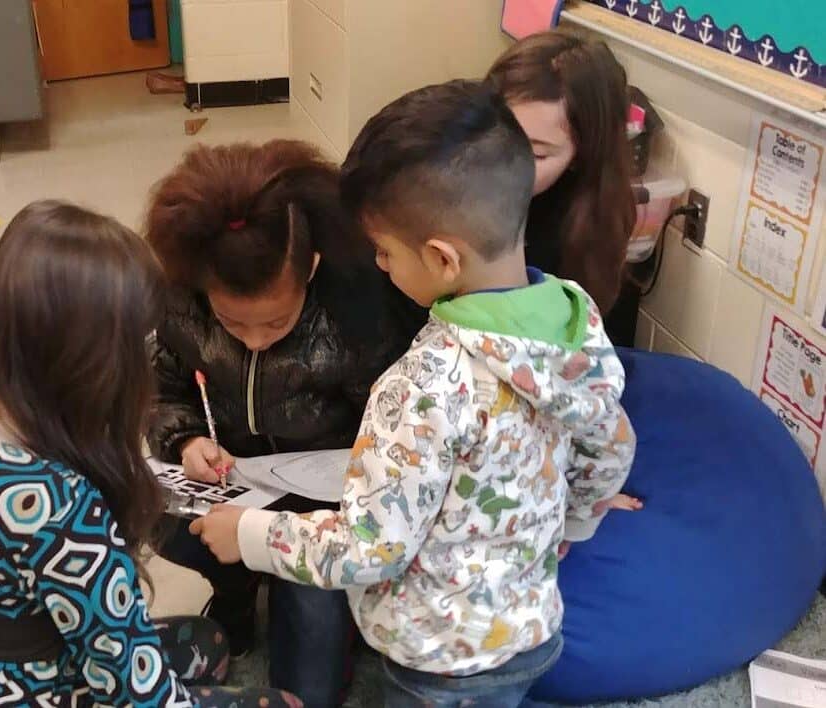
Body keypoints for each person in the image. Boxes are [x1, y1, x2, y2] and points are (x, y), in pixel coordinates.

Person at [191, 81, 637, 707]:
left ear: (441, 258)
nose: (377, 266)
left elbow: (372, 548)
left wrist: (250, 534)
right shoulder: (573, 323)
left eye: (384, 251)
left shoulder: (422, 387)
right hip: (530, 631)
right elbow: (613, 441)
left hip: (439, 662)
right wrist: (578, 520)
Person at [0, 200, 299, 707]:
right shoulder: (55, 502)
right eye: (137, 341)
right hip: (30, 690)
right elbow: (137, 692)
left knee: (205, 642)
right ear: (95, 356)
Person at [143, 139, 423, 705]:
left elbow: (392, 441)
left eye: (274, 322)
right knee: (155, 515)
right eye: (231, 322)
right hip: (230, 480)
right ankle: (237, 584)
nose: (252, 339)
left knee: (308, 691)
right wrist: (186, 439)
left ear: (311, 268)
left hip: (323, 507)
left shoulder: (357, 316)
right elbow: (162, 390)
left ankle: (317, 598)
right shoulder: (179, 302)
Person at [487, 31, 640, 347]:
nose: (506, 162)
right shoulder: (449, 184)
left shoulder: (587, 229)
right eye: (498, 134)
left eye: (537, 154)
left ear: (580, 156)